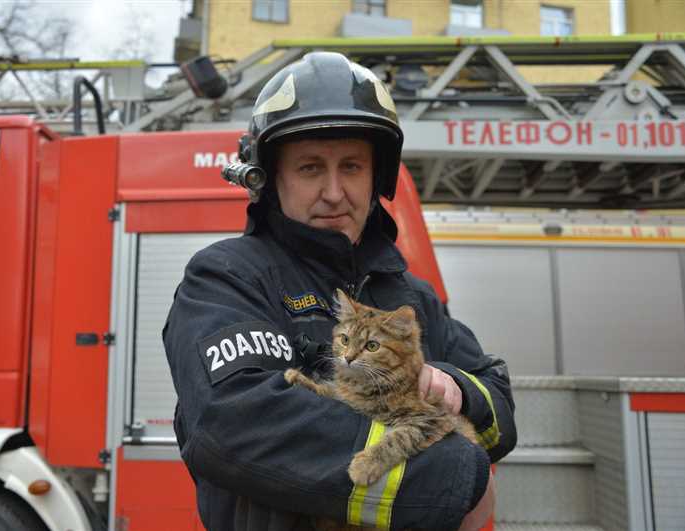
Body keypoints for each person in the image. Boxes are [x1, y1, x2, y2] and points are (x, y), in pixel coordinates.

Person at [163, 51, 516, 531]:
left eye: (351, 167)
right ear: (270, 179)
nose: (334, 191)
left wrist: (454, 388)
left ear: (377, 177)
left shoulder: (410, 294)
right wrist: (454, 479)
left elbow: (497, 404)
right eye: (310, 168)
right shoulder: (229, 277)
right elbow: (235, 423)